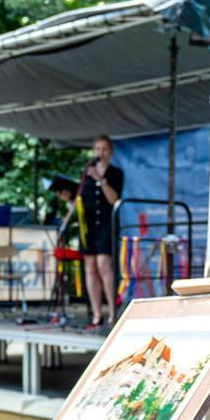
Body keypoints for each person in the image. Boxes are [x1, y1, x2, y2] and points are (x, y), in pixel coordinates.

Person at [78, 134, 123, 330]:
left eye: (104, 149)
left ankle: (113, 311)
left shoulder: (116, 173)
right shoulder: (86, 174)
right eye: (97, 149)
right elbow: (82, 200)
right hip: (89, 225)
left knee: (104, 265)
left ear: (110, 151)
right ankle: (97, 314)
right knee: (90, 267)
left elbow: (114, 200)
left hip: (106, 222)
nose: (100, 153)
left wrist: (100, 179)